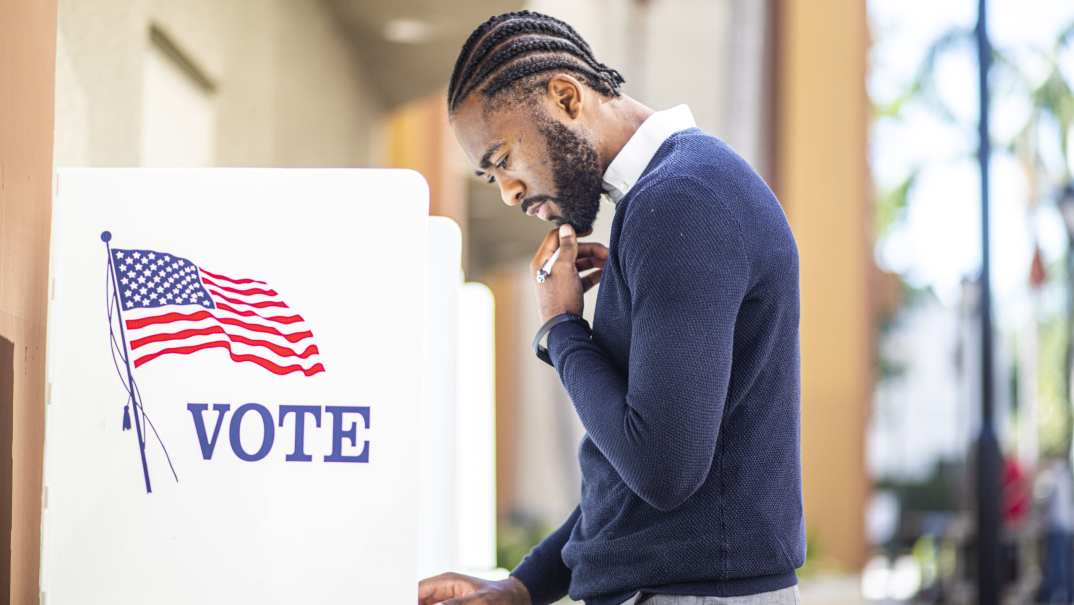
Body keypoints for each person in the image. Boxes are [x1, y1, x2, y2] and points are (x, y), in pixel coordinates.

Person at [419, 10, 804, 605]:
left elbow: (662, 471)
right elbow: (630, 480)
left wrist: (560, 328)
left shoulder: (681, 200)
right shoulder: (668, 198)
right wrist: (522, 588)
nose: (508, 193)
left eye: (502, 161)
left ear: (566, 97)